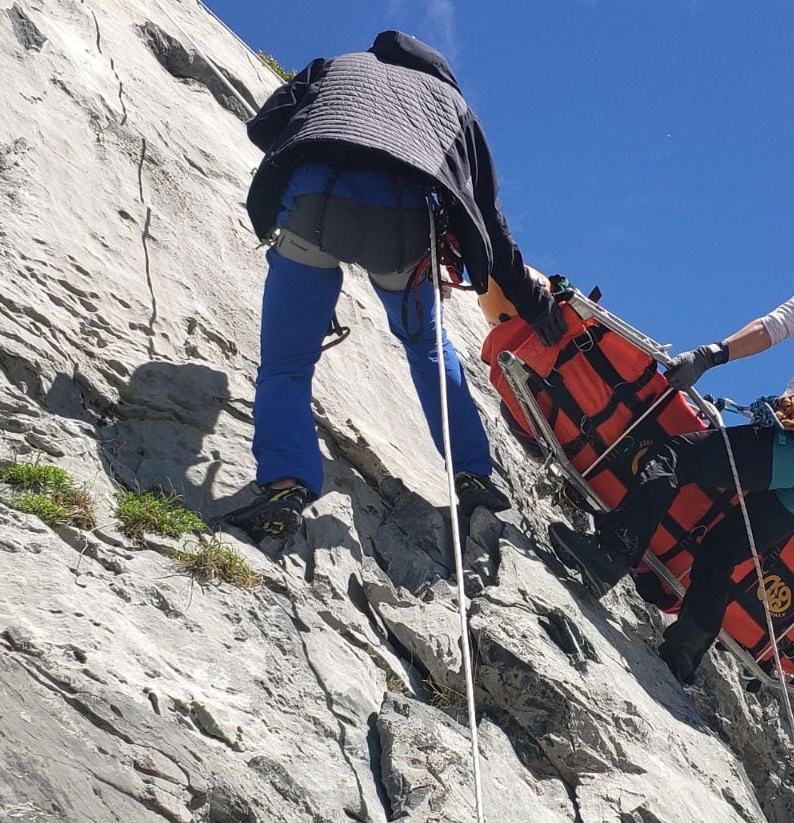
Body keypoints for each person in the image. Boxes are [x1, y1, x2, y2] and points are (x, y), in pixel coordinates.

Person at [223, 30, 565, 541]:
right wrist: (537, 306)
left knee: (286, 362)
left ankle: (285, 484)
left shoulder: (336, 64)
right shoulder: (453, 105)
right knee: (427, 347)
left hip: (316, 202)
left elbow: (266, 125)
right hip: (404, 230)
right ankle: (472, 475)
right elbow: (491, 224)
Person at [549, 252, 794, 684]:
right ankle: (683, 654)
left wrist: (709, 355)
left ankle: (611, 553)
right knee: (721, 548)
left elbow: (774, 326)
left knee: (673, 457)